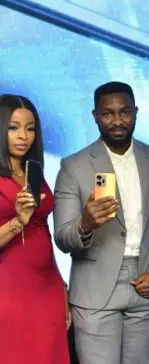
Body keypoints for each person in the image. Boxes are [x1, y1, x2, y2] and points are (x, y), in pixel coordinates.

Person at [53, 82, 149, 364]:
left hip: (146, 282)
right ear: (95, 116)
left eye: (125, 112)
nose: (117, 121)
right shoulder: (74, 166)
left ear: (136, 112)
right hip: (94, 288)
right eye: (108, 114)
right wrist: (85, 224)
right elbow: (62, 237)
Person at [0, 94, 70, 364]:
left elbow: (43, 234)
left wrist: (61, 284)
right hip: (9, 290)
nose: (23, 136)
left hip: (47, 287)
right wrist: (18, 222)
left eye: (30, 129)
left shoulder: (34, 174)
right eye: (13, 128)